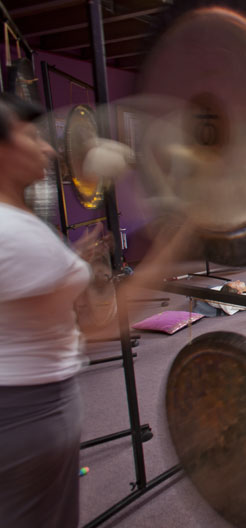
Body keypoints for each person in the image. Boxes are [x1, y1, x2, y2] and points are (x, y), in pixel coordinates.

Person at [0, 94, 190, 527]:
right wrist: (172, 246)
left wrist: (72, 261)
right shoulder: (16, 233)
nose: (48, 148)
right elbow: (100, 327)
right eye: (30, 136)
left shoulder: (14, 224)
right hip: (30, 413)